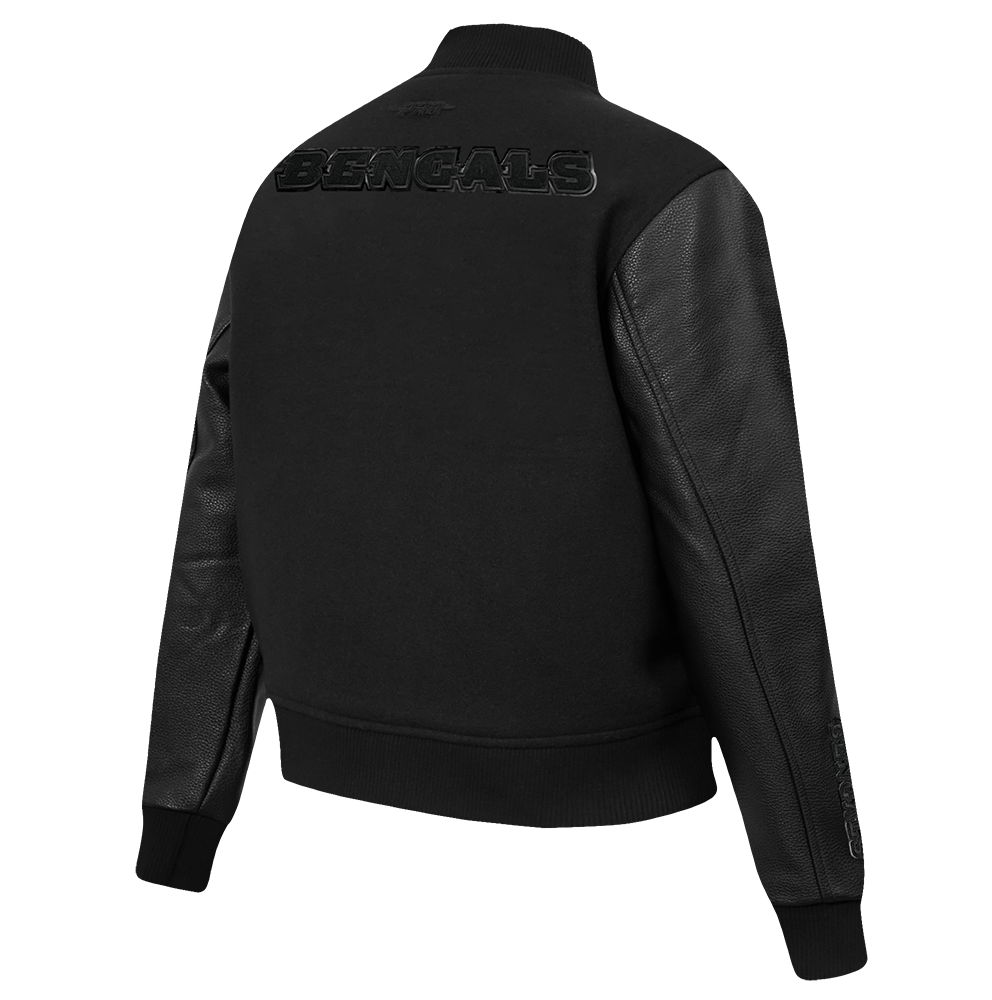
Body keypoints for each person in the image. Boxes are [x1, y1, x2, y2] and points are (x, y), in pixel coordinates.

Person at [137, 22, 866, 980]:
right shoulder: (659, 181)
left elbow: (219, 516)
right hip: (597, 820)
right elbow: (739, 533)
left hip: (329, 798)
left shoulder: (288, 186)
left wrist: (176, 808)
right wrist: (819, 879)